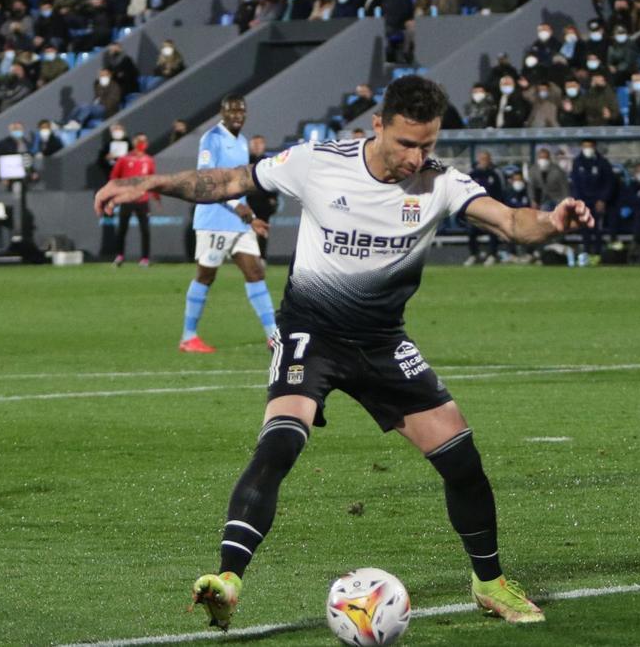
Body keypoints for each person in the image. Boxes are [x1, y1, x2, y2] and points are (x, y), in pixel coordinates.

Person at [94, 75, 592, 630]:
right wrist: (150, 185)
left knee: (463, 463)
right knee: (281, 442)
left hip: (383, 342)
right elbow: (229, 180)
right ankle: (227, 579)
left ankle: (490, 583)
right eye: (406, 143)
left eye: (428, 144)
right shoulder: (318, 162)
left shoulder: (440, 182)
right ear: (377, 125)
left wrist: (552, 222)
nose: (416, 157)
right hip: (313, 331)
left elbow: (512, 222)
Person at [178, 94, 276, 353]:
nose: (236, 115)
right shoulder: (212, 138)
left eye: (240, 111)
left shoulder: (242, 142)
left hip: (238, 222)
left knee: (255, 272)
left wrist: (252, 218)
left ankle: (273, 336)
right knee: (206, 275)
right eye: (231, 111)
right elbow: (205, 181)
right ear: (222, 113)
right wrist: (237, 207)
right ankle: (189, 337)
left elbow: (237, 187)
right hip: (214, 220)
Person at [111, 133, 158, 267]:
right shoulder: (124, 159)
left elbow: (151, 178)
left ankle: (145, 258)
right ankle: (119, 256)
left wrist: (153, 194)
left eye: (144, 141)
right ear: (134, 142)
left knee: (145, 230)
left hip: (142, 200)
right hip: (126, 199)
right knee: (122, 229)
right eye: (139, 141)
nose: (142, 143)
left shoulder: (149, 160)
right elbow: (114, 177)